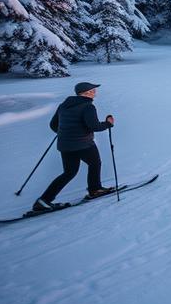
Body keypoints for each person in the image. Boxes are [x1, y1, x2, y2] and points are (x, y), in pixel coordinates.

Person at [32, 82, 115, 212]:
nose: (95, 92)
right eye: (93, 90)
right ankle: (95, 190)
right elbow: (94, 126)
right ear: (86, 93)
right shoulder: (88, 106)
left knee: (69, 172)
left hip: (65, 145)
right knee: (95, 163)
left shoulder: (64, 105)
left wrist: (66, 132)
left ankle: (43, 201)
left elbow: (54, 125)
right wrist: (108, 124)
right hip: (83, 144)